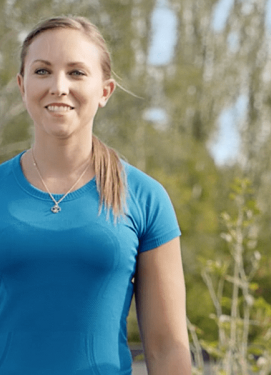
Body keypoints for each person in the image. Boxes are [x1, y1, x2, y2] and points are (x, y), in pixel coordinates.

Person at [0, 16, 191, 374]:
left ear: (105, 91)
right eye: (43, 71)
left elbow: (167, 349)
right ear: (22, 86)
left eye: (76, 72)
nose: (58, 86)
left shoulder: (146, 197)